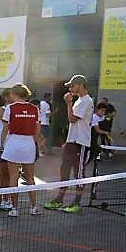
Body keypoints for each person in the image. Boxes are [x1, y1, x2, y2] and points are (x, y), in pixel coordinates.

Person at [44, 74, 93, 213]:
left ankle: (76, 203)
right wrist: (68, 141)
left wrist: (68, 103)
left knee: (78, 173)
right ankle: (60, 199)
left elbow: (72, 119)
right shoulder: (79, 101)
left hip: (81, 142)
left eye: (72, 85)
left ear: (80, 85)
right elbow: (73, 124)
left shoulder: (86, 101)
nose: (70, 88)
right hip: (72, 142)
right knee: (64, 170)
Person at [0, 84, 41, 217]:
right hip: (29, 144)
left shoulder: (10, 108)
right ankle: (34, 207)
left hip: (13, 143)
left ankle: (14, 208)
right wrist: (33, 142)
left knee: (14, 176)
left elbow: (5, 129)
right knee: (30, 178)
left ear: (14, 94)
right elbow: (38, 130)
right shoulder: (35, 109)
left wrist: (2, 145)